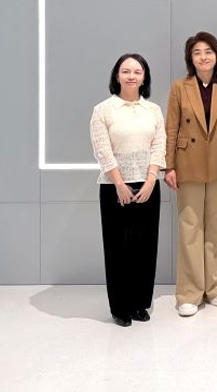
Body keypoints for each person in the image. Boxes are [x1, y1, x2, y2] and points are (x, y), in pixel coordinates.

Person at [164, 32, 217, 317]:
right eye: (197, 52)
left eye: (208, 51)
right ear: (190, 58)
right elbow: (171, 128)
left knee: (216, 225)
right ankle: (189, 293)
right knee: (190, 227)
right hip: (188, 162)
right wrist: (169, 166)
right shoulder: (179, 87)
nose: (203, 57)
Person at [90, 53, 166, 327]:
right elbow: (102, 149)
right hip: (114, 188)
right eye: (126, 71)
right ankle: (120, 308)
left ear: (144, 77)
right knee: (118, 249)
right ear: (117, 76)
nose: (131, 76)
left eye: (137, 71)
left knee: (145, 248)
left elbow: (159, 145)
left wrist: (150, 180)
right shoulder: (103, 110)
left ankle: (139, 304)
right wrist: (120, 184)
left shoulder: (153, 110)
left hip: (148, 186)